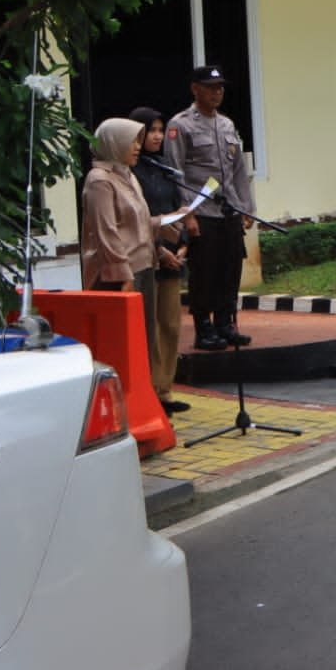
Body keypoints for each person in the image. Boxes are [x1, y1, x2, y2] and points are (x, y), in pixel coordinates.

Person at [165, 65, 257, 351]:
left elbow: (238, 170)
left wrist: (246, 207)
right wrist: (186, 213)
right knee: (205, 272)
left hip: (227, 209)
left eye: (220, 87)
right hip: (201, 211)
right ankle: (203, 328)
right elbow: (174, 171)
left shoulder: (227, 125)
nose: (217, 92)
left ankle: (225, 323)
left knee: (230, 267)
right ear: (195, 89)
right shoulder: (180, 125)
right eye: (210, 87)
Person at [81, 119, 185, 373]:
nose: (137, 147)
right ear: (114, 143)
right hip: (117, 274)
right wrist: (123, 276)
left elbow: (140, 223)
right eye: (132, 141)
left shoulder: (128, 176)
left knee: (143, 340)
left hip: (144, 267)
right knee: (120, 344)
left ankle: (143, 400)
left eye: (139, 141)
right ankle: (120, 403)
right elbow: (107, 232)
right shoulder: (99, 180)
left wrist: (173, 218)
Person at [130, 106, 195, 415]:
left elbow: (177, 209)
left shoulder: (165, 168)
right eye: (150, 130)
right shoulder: (131, 173)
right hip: (148, 259)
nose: (156, 136)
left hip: (172, 259)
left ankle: (166, 389)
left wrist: (182, 247)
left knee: (170, 324)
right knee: (150, 327)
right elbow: (136, 220)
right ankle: (150, 390)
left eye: (159, 130)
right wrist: (160, 250)